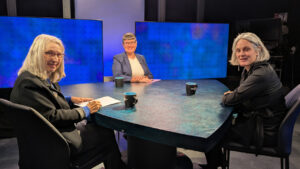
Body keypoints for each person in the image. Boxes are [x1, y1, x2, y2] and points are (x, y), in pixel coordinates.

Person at [10, 34, 127, 169]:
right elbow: (51, 116)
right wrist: (85, 110)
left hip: (43, 140)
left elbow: (42, 104)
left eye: (59, 55)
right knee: (105, 132)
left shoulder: (33, 78)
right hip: (56, 143)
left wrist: (69, 100)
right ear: (36, 53)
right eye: (49, 53)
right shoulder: (29, 83)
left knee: (99, 129)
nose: (55, 59)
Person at [203, 32, 287, 169]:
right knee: (218, 125)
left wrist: (230, 96)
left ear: (258, 50)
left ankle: (215, 165)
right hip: (260, 123)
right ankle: (217, 163)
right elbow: (239, 96)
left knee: (211, 131)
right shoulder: (251, 69)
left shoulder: (260, 74)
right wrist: (234, 96)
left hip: (263, 132)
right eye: (238, 50)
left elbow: (231, 99)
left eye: (246, 49)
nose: (241, 53)